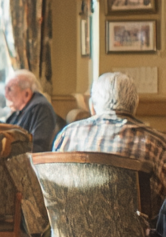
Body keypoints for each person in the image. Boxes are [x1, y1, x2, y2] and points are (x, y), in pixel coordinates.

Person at [55, 71, 166, 208]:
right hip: (138, 229)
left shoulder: (68, 135)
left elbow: (54, 191)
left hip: (71, 228)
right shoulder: (158, 144)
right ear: (135, 105)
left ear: (92, 107)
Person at [4, 70, 63, 153]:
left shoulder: (41, 108)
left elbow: (38, 146)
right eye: (5, 89)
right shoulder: (18, 111)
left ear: (27, 93)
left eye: (10, 89)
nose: (5, 94)